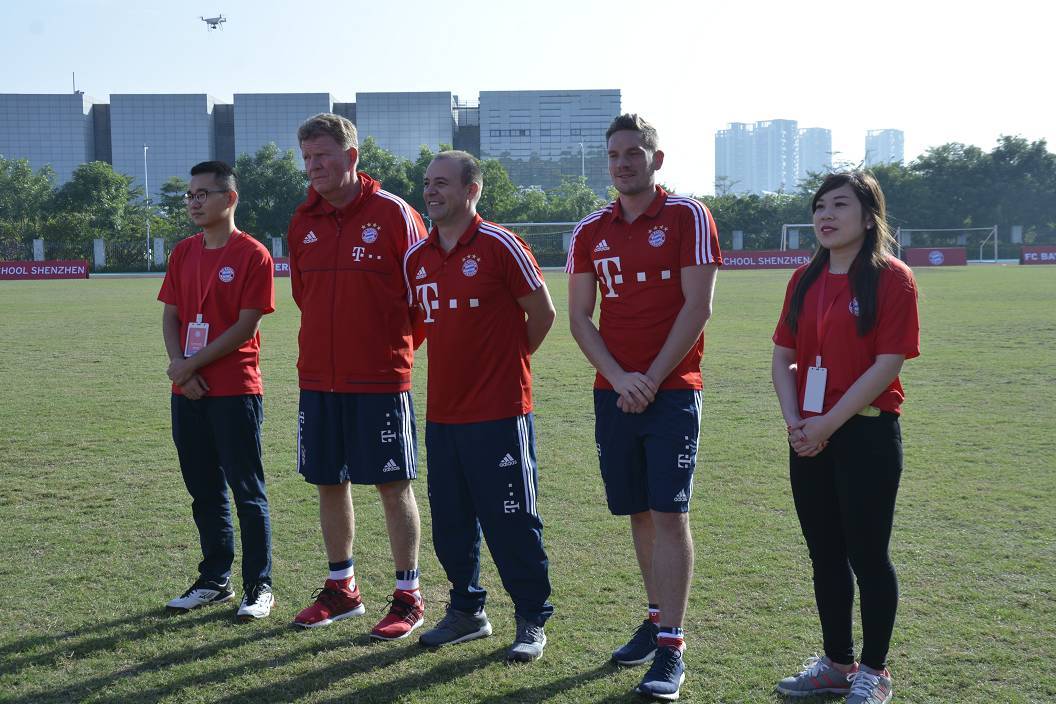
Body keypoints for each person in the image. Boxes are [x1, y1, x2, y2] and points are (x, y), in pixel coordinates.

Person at [566, 114, 721, 700]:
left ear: (657, 159)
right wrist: (619, 377)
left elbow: (697, 306)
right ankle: (656, 619)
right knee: (637, 513)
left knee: (669, 512)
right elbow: (580, 316)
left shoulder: (688, 216)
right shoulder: (589, 230)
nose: (623, 162)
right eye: (614, 154)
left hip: (672, 390)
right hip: (615, 392)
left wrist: (651, 378)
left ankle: (673, 646)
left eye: (635, 151)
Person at [771, 171, 919, 704]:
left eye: (839, 205)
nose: (825, 216)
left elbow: (888, 364)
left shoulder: (892, 278)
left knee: (867, 555)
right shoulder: (804, 279)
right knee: (825, 554)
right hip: (808, 436)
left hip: (865, 437)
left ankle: (873, 672)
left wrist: (826, 424)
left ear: (868, 215)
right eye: (819, 207)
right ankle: (837, 663)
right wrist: (796, 424)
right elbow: (783, 356)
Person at [404, 151, 556, 661]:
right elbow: (418, 330)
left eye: (442, 183)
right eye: (427, 183)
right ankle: (467, 610)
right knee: (450, 522)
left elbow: (543, 314)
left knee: (512, 519)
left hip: (499, 413)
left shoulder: (501, 246)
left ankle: (532, 618)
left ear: (473, 190)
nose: (431, 191)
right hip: (442, 416)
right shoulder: (417, 259)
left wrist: (506, 365)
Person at [286, 113, 428, 640]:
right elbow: (304, 296)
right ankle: (342, 589)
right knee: (328, 480)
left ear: (351, 156)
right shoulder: (302, 220)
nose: (314, 167)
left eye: (322, 156)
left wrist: (388, 352)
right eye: (307, 159)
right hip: (317, 378)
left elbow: (422, 297)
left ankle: (408, 595)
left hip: (381, 378)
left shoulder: (394, 214)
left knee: (393, 484)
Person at [159, 160, 276, 621]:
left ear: (229, 198)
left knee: (247, 491)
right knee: (203, 490)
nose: (193, 201)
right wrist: (180, 372)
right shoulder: (183, 252)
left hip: (234, 390)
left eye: (202, 193)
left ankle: (259, 585)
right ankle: (214, 580)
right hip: (186, 392)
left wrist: (189, 366)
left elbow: (246, 326)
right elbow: (171, 316)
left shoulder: (253, 254)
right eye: (189, 194)